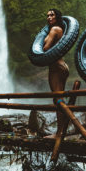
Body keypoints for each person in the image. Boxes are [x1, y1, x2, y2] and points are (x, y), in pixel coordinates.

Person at [29, 8, 69, 139]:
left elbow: (45, 48)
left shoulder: (54, 30)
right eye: (47, 15)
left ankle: (59, 133)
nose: (49, 17)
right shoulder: (59, 30)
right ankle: (62, 130)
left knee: (58, 99)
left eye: (52, 15)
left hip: (56, 67)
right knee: (59, 98)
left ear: (57, 17)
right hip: (61, 65)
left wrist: (42, 43)